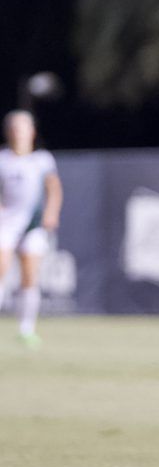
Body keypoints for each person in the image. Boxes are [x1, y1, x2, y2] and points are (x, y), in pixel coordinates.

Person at [0, 110, 62, 348]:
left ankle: (26, 329)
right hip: (6, 224)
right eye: (15, 128)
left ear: (32, 132)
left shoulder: (42, 160)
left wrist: (51, 212)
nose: (19, 132)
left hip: (32, 226)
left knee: (29, 276)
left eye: (23, 127)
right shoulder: (3, 159)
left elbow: (54, 188)